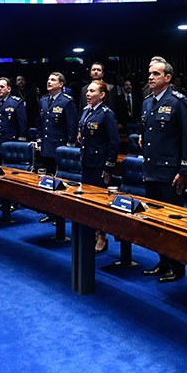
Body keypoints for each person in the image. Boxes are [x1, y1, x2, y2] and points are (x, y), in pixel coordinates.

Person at [140, 60, 187, 283]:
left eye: (156, 73)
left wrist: (184, 170)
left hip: (170, 172)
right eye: (149, 73)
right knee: (155, 221)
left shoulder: (179, 102)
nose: (151, 77)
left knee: (172, 222)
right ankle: (162, 261)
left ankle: (177, 265)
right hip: (151, 169)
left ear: (168, 78)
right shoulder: (147, 102)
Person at [78, 80, 120, 252]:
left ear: (102, 95)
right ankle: (92, 233)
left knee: (100, 203)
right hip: (87, 163)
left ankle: (102, 235)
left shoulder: (106, 114)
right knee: (88, 201)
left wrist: (108, 167)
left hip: (99, 166)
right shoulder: (86, 111)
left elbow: (114, 143)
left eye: (92, 91)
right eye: (87, 90)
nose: (88, 94)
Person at [37, 72, 77, 176]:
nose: (49, 82)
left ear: (61, 84)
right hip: (45, 146)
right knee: (46, 176)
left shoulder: (67, 101)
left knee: (60, 176)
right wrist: (39, 140)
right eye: (48, 80)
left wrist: (70, 146)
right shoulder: (43, 100)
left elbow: (72, 126)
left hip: (60, 146)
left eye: (53, 80)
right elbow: (40, 123)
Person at [0, 77, 27, 164]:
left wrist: (21, 138)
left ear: (9, 89)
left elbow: (22, 122)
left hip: (11, 140)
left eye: (2, 87)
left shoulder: (16, 102)